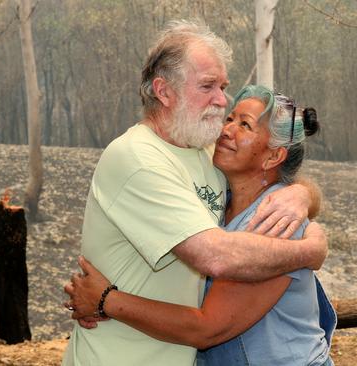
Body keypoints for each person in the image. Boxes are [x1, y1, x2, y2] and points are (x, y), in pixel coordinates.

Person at [62, 20, 327, 366]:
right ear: (164, 91)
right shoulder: (138, 159)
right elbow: (215, 256)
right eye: (207, 87)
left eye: (223, 86)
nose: (221, 101)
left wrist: (302, 195)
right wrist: (309, 251)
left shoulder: (206, 151)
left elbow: (272, 178)